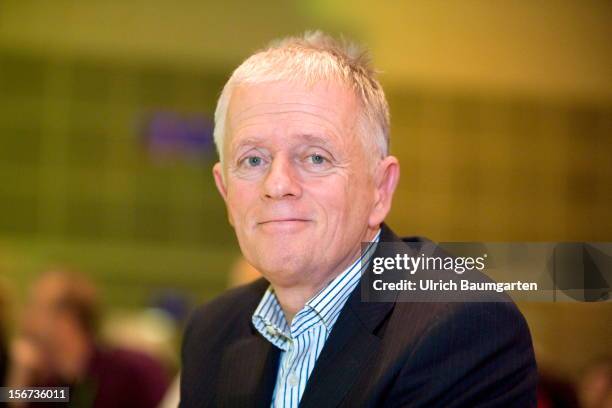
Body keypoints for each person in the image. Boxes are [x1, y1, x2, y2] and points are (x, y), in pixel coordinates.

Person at [180, 31, 537, 407]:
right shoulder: (212, 332)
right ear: (225, 190)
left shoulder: (465, 330)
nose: (278, 184)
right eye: (253, 160)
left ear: (380, 189)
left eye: (315, 157)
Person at [8, 269, 170, 408]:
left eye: (35, 307)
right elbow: (12, 398)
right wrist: (20, 373)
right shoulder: (54, 386)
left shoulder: (133, 371)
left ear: (66, 320)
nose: (26, 318)